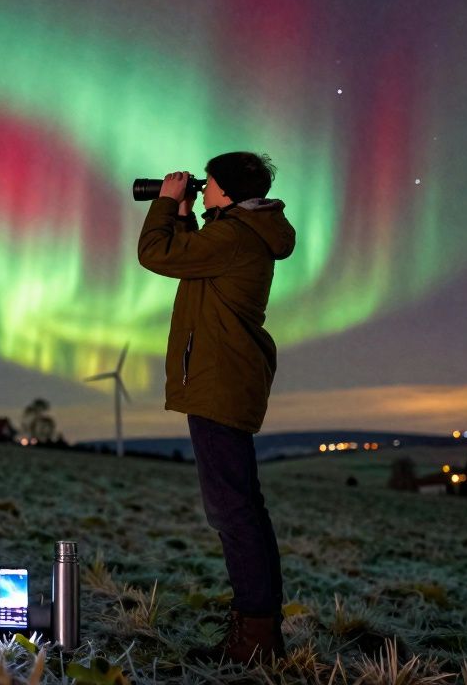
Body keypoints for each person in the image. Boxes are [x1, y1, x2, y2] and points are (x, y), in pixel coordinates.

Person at [136, 152, 296, 665]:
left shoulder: (232, 237)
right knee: (242, 507)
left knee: (232, 511)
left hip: (219, 382)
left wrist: (164, 204)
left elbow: (156, 255)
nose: (202, 192)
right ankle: (260, 631)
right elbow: (191, 254)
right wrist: (185, 213)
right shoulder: (242, 233)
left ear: (226, 191)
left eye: (208, 187)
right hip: (224, 380)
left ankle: (254, 640)